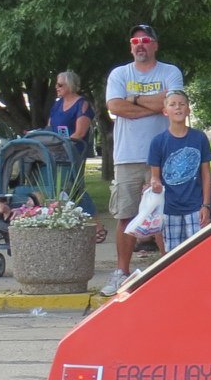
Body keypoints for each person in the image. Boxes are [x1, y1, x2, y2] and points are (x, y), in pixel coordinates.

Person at [102, 24, 184, 293]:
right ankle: (121, 272)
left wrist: (133, 99)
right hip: (127, 156)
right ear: (130, 46)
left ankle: (169, 271)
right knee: (125, 215)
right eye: (135, 40)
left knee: (163, 215)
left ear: (155, 45)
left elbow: (173, 103)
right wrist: (156, 105)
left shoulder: (170, 72)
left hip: (163, 155)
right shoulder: (119, 73)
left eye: (146, 40)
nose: (140, 44)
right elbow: (114, 106)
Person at [147, 89, 211, 249]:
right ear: (165, 111)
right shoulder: (158, 142)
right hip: (170, 208)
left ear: (188, 110)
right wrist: (154, 183)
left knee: (199, 250)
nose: (178, 108)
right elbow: (155, 176)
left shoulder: (199, 138)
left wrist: (206, 205)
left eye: (182, 104)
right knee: (173, 253)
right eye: (173, 104)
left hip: (195, 207)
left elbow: (206, 175)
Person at [46, 70, 103, 241]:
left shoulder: (82, 104)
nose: (56, 87)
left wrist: (63, 141)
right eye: (56, 84)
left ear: (70, 85)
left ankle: (96, 225)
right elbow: (49, 127)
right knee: (60, 189)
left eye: (60, 84)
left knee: (74, 187)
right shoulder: (57, 104)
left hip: (74, 152)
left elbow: (79, 132)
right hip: (55, 152)